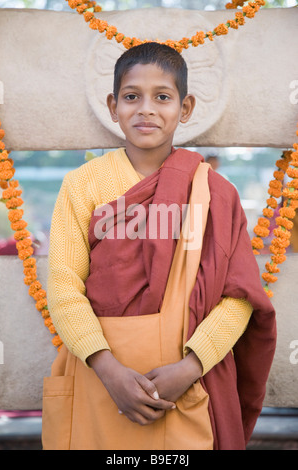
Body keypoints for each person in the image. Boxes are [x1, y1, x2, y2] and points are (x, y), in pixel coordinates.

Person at [42, 43, 276, 450]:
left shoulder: (214, 192)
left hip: (186, 383)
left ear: (184, 109)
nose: (146, 109)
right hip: (101, 377)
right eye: (132, 97)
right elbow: (63, 286)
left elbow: (238, 297)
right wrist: (107, 368)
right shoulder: (83, 185)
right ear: (114, 106)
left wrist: (192, 365)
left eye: (162, 97)